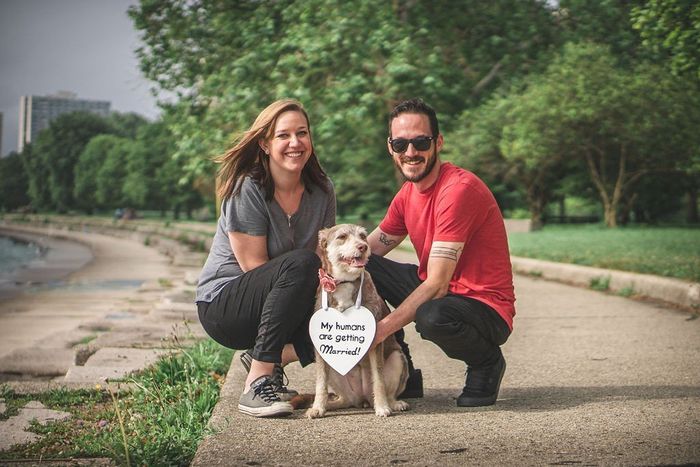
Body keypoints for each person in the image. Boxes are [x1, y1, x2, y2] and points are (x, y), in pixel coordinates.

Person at [366, 98, 515, 407]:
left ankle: (486, 362)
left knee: (432, 316)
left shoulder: (458, 189)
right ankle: (402, 366)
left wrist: (377, 332)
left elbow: (436, 285)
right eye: (400, 143)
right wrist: (323, 263)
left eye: (420, 142)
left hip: (484, 306)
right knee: (364, 265)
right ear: (390, 146)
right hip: (443, 291)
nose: (410, 152)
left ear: (438, 143)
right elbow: (370, 249)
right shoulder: (408, 194)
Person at [195, 99, 336, 418]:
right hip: (226, 306)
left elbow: (323, 261)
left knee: (346, 306)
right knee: (303, 264)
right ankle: (257, 381)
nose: (295, 143)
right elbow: (255, 268)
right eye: (283, 135)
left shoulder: (322, 190)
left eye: (302, 133)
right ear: (264, 143)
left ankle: (271, 357)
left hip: (285, 298)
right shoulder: (248, 187)